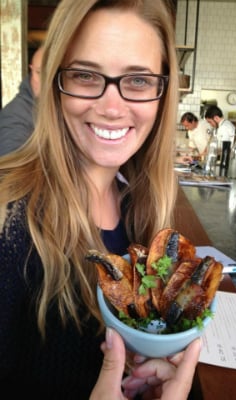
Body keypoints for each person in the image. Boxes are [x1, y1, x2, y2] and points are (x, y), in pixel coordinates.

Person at [0, 0, 201, 398]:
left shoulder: (142, 206)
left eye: (139, 81)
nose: (112, 108)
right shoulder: (9, 217)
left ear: (163, 93)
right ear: (55, 82)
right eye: (85, 75)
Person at [0, 46, 44, 156]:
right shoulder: (15, 115)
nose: (46, 81)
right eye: (39, 73)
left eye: (53, 73)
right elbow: (11, 169)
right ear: (31, 69)